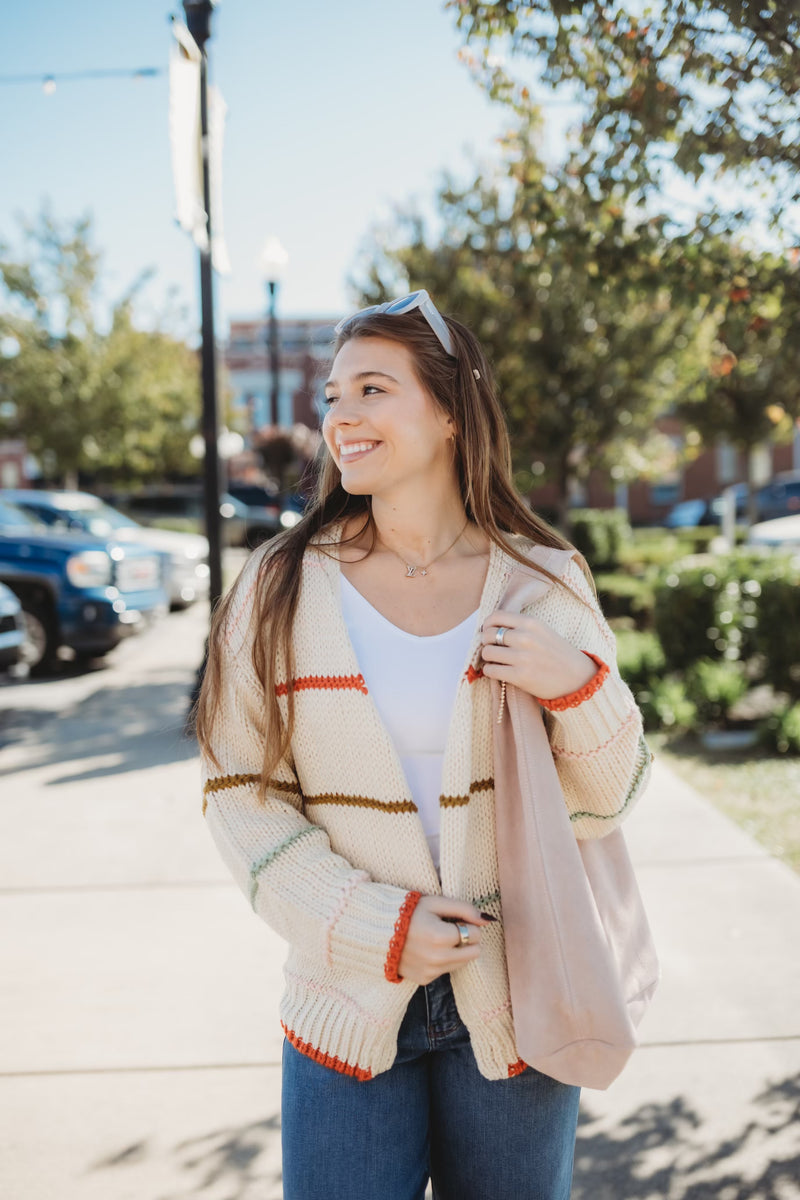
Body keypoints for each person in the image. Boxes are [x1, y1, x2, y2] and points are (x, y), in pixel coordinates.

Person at [195, 290, 651, 1200]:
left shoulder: (541, 580)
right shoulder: (279, 584)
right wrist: (377, 927)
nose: (340, 417)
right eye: (332, 397)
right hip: (345, 997)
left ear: (448, 411)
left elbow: (608, 803)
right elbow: (237, 791)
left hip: (518, 999)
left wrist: (577, 685)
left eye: (371, 389)